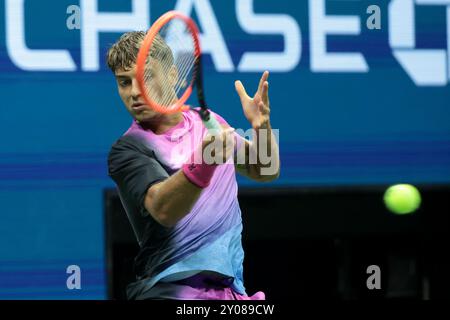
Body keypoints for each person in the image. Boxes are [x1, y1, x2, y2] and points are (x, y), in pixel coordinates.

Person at [106, 31, 280, 300]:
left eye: (146, 77)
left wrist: (262, 127)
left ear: (173, 75)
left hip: (230, 292)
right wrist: (205, 161)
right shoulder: (129, 148)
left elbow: (264, 170)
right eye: (124, 83)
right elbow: (163, 209)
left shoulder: (208, 122)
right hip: (169, 291)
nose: (135, 92)